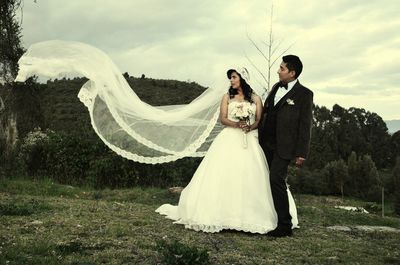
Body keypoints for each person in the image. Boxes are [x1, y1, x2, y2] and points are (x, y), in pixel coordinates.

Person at [156, 67, 298, 234]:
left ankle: (252, 215)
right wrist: (237, 124)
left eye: (233, 77)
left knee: (250, 175)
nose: (231, 80)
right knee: (224, 173)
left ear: (242, 79)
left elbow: (259, 119)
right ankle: (222, 215)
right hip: (229, 137)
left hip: (249, 139)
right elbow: (223, 118)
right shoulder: (226, 97)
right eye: (230, 78)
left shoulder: (256, 98)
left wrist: (249, 126)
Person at [259, 55, 313, 237]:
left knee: (276, 179)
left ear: (292, 72)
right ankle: (265, 217)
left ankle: (285, 225)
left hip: (285, 147)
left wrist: (302, 153)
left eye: (281, 68)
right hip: (265, 142)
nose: (278, 71)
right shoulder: (276, 87)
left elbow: (305, 126)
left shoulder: (305, 94)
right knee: (263, 178)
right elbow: (267, 111)